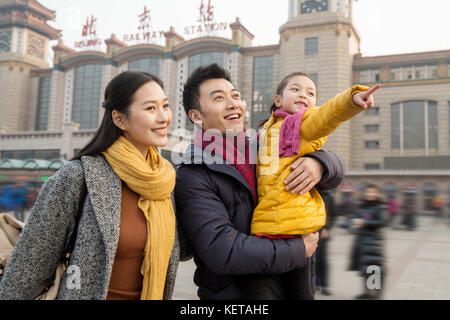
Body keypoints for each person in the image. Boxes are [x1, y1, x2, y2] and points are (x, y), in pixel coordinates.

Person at [0, 71, 181, 300]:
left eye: (165, 106)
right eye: (150, 108)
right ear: (119, 119)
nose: (164, 117)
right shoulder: (78, 176)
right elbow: (28, 267)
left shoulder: (164, 181)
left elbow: (188, 248)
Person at [175, 64, 346, 300]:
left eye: (235, 96)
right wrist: (298, 249)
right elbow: (222, 250)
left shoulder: (262, 146)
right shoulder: (193, 174)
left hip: (292, 283)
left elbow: (334, 174)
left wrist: (321, 163)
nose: (233, 103)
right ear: (196, 116)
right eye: (218, 98)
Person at [348, 184, 386, 300]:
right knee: (364, 268)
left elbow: (382, 222)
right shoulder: (361, 206)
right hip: (361, 241)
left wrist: (365, 223)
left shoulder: (379, 207)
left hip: (373, 242)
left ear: (377, 193)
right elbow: (355, 221)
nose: (370, 194)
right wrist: (353, 224)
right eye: (368, 192)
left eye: (373, 192)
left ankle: (376, 295)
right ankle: (367, 292)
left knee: (374, 269)